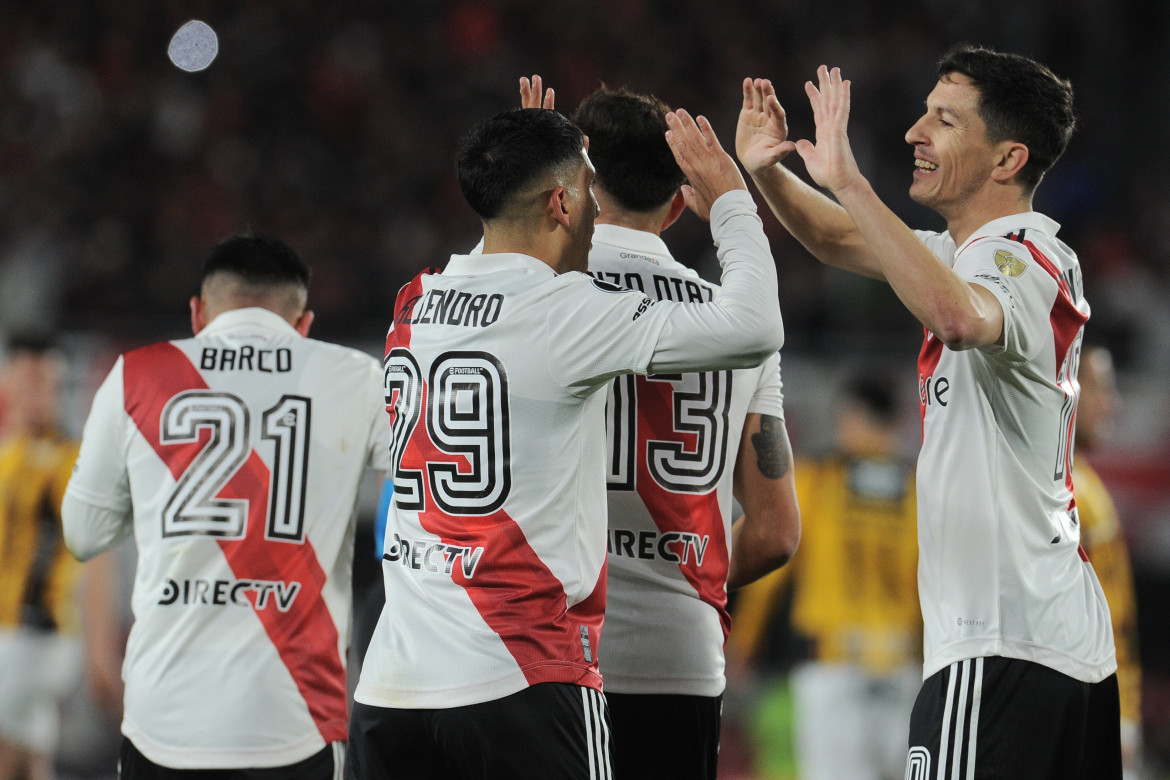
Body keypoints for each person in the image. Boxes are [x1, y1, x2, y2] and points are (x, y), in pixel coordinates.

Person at [348, 105, 783, 780]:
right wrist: (730, 198)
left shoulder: (416, 299)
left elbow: (504, 252)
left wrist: (531, 152)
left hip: (394, 682)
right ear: (561, 201)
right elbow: (753, 325)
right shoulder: (567, 312)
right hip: (521, 668)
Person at [736, 44, 1119, 777]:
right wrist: (767, 172)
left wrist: (849, 180)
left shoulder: (1017, 254)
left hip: (1002, 641)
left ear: (1007, 160)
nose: (915, 133)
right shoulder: (965, 249)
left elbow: (959, 318)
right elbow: (837, 236)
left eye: (943, 120)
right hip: (1044, 643)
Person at [61, 232, 391, 778]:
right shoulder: (354, 377)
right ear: (304, 324)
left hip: (161, 721)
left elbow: (81, 535)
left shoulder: (136, 375)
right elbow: (419, 488)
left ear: (197, 313)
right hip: (295, 719)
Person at [551, 83, 801, 780]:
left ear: (573, 182)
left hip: (552, 653)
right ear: (677, 202)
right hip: (680, 660)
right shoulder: (733, 321)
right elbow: (777, 532)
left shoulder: (540, 300)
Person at [731, 373, 919, 780]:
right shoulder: (918, 490)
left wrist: (743, 638)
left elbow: (771, 566)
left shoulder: (820, 480)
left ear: (853, 416)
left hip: (832, 662)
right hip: (904, 666)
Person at [0, 334, 102, 780]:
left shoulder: (70, 460)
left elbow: (98, 557)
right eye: (27, 381)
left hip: (37, 634)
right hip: (12, 639)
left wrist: (102, 647)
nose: (37, 394)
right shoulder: (8, 453)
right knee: (28, 759)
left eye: (47, 383)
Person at [1073, 345, 1142, 775]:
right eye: (1100, 389)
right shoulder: (1065, 489)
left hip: (1096, 705)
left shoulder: (1083, 486)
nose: (1111, 404)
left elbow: (1112, 616)